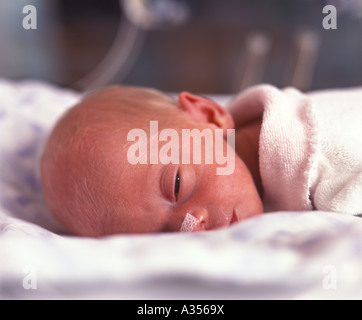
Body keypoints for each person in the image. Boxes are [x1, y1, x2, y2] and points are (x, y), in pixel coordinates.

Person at [41, 84, 362, 236]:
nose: (192, 225)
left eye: (178, 185)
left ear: (208, 116)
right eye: (163, 237)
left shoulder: (318, 147)